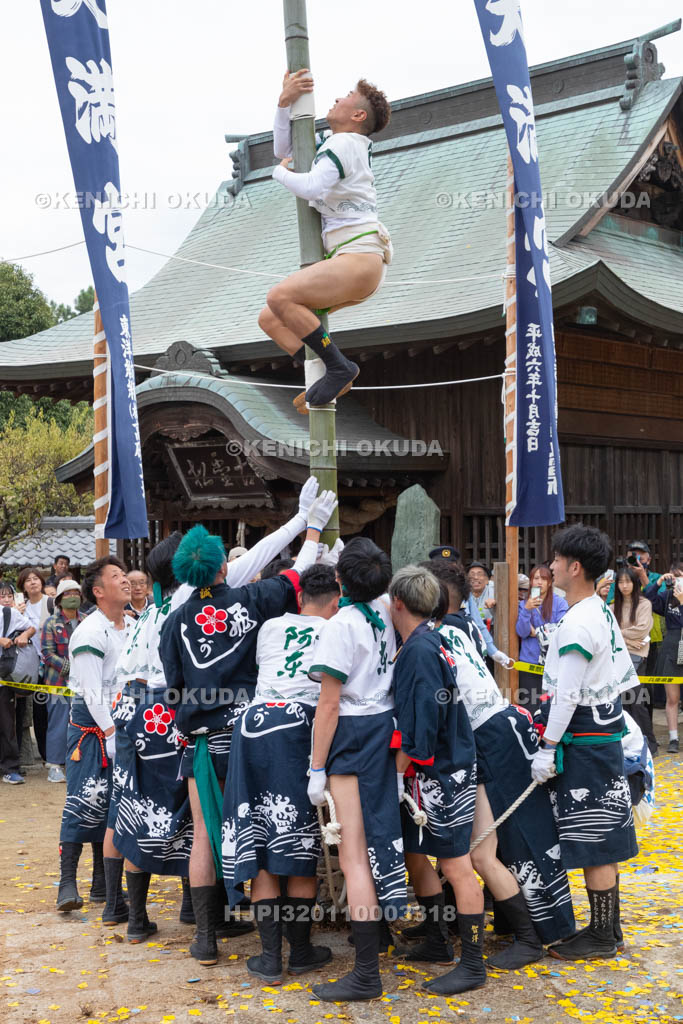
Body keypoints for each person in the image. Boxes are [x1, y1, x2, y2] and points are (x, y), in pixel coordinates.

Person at [160, 489, 337, 966]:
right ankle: (295, 948)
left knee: (203, 833)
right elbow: (297, 577)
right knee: (269, 834)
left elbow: (173, 688)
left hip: (199, 742)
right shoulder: (251, 599)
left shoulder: (172, 622)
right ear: (222, 567)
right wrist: (312, 525)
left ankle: (205, 939)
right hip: (249, 738)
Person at [436, 588, 575, 966]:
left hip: (491, 733)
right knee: (489, 845)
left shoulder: (438, 636)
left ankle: (541, 930)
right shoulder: (457, 627)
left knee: (516, 837)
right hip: (495, 728)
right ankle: (520, 928)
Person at [222, 563, 341, 983]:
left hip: (252, 726)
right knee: (298, 842)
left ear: (299, 596)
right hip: (298, 728)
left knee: (260, 841)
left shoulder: (270, 626)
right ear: (336, 598)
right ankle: (302, 950)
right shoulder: (337, 628)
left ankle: (270, 957)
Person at [530, 525, 639, 960]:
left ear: (574, 567)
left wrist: (546, 746)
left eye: (555, 560)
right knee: (603, 834)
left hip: (586, 738)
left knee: (594, 835)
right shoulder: (598, 608)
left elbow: (567, 695)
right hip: (603, 732)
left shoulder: (579, 619)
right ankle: (606, 928)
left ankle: (601, 934)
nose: (550, 566)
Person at [306, 537, 404, 1002]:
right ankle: (377, 947)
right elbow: (372, 581)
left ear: (340, 579)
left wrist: (315, 767)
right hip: (384, 726)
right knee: (379, 842)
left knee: (353, 856)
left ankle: (367, 972)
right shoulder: (386, 607)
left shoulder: (339, 625)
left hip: (350, 733)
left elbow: (328, 704)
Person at [259, 71, 392, 411]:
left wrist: (278, 174)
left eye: (346, 96)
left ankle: (337, 367)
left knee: (280, 295)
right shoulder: (339, 144)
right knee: (272, 317)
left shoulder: (344, 143)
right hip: (356, 262)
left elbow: (312, 187)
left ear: (358, 115)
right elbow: (283, 148)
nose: (336, 99)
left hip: (358, 257)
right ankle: (330, 368)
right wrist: (283, 103)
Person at [389, 565, 487, 995]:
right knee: (415, 851)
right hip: (432, 769)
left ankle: (473, 961)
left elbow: (422, 723)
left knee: (456, 864)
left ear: (397, 602)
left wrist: (398, 771)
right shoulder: (428, 640)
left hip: (441, 770)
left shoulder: (420, 650)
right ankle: (436, 936)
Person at [56, 556, 133, 917]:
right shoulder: (89, 631)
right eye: (117, 577)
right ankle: (66, 882)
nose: (126, 581)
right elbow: (90, 690)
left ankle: (104, 883)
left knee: (115, 806)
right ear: (99, 591)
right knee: (85, 799)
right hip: (93, 729)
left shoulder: (131, 624)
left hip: (123, 723)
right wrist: (111, 730)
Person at [40, 579, 87, 783]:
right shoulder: (51, 623)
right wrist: (71, 668)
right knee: (58, 723)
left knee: (81, 722)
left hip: (84, 683)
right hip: (58, 683)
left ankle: (76, 763)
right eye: (68, 594)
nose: (72, 597)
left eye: (76, 593)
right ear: (59, 599)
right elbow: (47, 654)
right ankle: (55, 765)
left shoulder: (87, 620)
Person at [613, 567, 657, 755]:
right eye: (621, 582)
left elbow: (642, 629)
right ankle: (627, 743)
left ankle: (650, 743)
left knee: (638, 702)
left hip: (638, 658)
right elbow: (607, 632)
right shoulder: (612, 606)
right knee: (621, 702)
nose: (624, 586)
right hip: (617, 658)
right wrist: (629, 640)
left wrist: (619, 633)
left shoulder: (644, 604)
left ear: (635, 583)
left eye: (628, 581)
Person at [643, 562, 683, 754]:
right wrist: (658, 582)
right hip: (671, 645)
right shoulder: (667, 596)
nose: (677, 581)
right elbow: (647, 597)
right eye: (674, 577)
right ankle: (673, 738)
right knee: (672, 697)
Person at [516, 565, 568, 708]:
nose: (539, 582)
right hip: (529, 662)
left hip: (553, 662)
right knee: (530, 707)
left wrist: (536, 632)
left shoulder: (560, 602)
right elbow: (522, 632)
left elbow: (560, 631)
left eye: (543, 579)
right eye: (536, 578)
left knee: (551, 708)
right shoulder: (523, 605)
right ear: (531, 582)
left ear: (550, 582)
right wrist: (527, 610)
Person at [17, 566, 54, 767]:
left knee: (55, 708)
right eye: (27, 580)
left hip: (51, 664)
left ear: (41, 581)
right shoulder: (19, 606)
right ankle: (47, 754)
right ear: (22, 586)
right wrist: (16, 612)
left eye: (35, 579)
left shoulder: (50, 603)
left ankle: (57, 753)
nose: (32, 582)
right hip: (31, 665)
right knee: (39, 712)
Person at [0, 593, 35, 785]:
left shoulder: (8, 613)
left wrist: (24, 635)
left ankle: (10, 768)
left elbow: (31, 628)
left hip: (4, 679)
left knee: (7, 725)